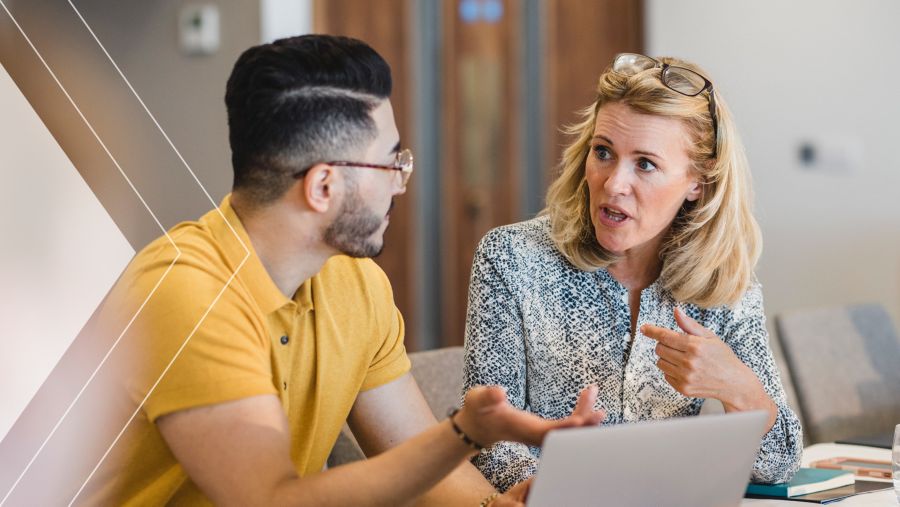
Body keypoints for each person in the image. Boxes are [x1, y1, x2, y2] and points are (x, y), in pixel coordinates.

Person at [76, 35, 604, 506]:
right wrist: (467, 431)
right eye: (391, 163)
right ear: (323, 186)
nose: (401, 182)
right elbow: (267, 500)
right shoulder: (185, 291)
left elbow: (411, 456)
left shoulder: (353, 283)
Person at [462, 53, 803, 492]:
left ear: (697, 183)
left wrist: (738, 389)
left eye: (645, 164)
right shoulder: (512, 257)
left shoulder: (721, 282)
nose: (614, 183)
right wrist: (553, 495)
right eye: (603, 152)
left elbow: (779, 464)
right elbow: (487, 435)